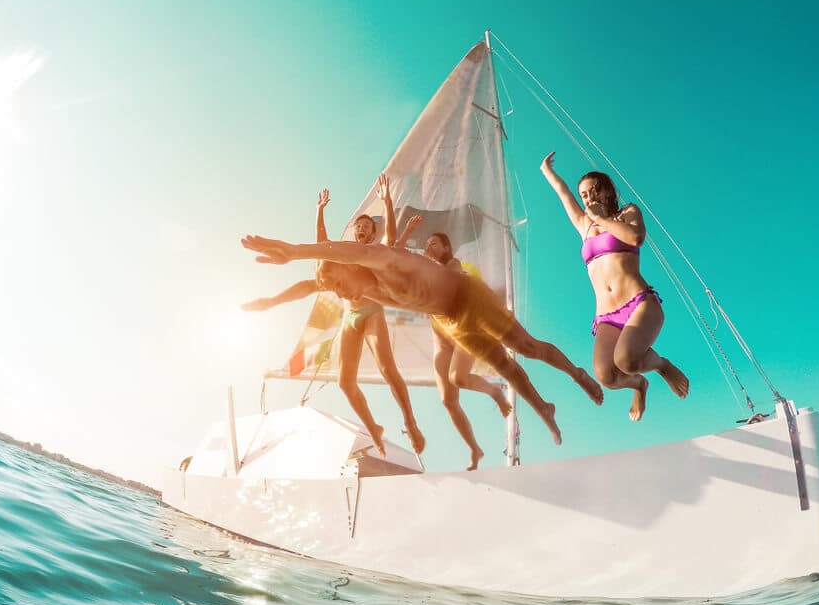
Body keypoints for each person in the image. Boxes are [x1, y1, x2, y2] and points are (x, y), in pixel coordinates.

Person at [241, 233, 604, 445]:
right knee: (504, 367)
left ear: (350, 268)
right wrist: (272, 302)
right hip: (448, 317)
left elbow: (354, 251)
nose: (338, 293)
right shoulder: (359, 292)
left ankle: (576, 373)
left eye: (338, 282)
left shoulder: (385, 260)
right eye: (333, 288)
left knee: (527, 348)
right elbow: (309, 285)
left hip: (468, 296)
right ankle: (544, 408)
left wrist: (295, 250)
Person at [241, 175, 425, 457]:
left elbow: (390, 240)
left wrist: (388, 202)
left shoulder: (373, 254)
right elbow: (315, 266)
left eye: (367, 228)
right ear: (354, 232)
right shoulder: (340, 260)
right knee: (345, 383)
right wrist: (271, 301)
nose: (363, 230)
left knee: (388, 369)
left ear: (372, 234)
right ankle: (373, 428)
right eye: (359, 227)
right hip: (351, 319)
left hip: (371, 312)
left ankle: (410, 422)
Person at [539, 152, 689, 421]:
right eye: (584, 195)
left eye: (594, 191)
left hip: (639, 303)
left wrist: (604, 221)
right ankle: (639, 385)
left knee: (627, 361)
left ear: (608, 192)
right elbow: (563, 194)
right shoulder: (583, 224)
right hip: (607, 316)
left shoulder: (627, 213)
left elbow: (636, 238)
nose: (588, 198)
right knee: (606, 375)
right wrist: (546, 170)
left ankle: (661, 365)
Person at [396, 217, 510, 469]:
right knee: (448, 400)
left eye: (434, 243)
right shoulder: (425, 267)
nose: (429, 247)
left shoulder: (454, 264)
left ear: (446, 248)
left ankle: (495, 391)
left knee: (458, 377)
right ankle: (475, 449)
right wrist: (408, 235)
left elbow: (446, 282)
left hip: (464, 332)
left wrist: (425, 262)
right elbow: (396, 256)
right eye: (427, 243)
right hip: (441, 339)